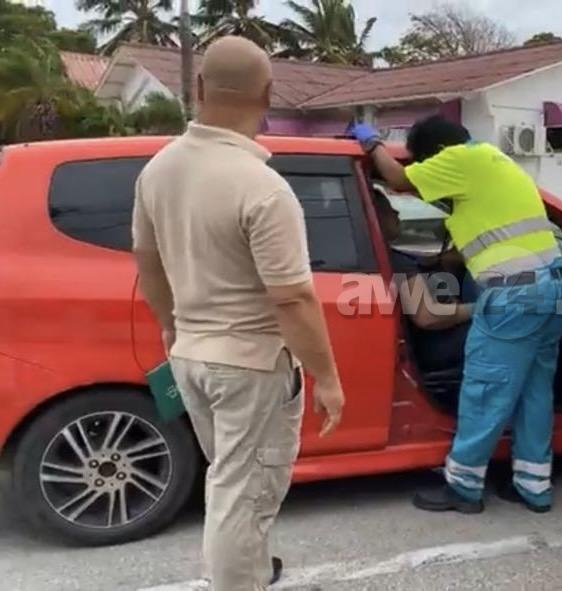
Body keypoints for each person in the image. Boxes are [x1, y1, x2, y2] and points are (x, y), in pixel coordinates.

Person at [132, 36, 344, 591]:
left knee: (233, 480)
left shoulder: (157, 170)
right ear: (268, 95)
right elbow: (292, 298)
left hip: (190, 356)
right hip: (250, 366)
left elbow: (147, 263)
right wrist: (326, 377)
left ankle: (251, 568)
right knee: (241, 493)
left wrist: (170, 326)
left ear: (199, 87)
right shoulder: (263, 187)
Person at [351, 115, 562, 514]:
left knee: (485, 389)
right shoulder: (495, 162)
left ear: (437, 153)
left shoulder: (460, 159)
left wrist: (371, 143)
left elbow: (398, 179)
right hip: (552, 288)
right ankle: (533, 485)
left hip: (514, 294)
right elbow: (488, 236)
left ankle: (464, 487)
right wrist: (440, 263)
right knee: (534, 391)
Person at [370, 190, 473, 373]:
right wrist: (479, 308)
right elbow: (427, 317)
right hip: (428, 349)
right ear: (374, 217)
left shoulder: (385, 256)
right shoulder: (395, 261)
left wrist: (437, 263)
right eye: (388, 209)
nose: (396, 212)